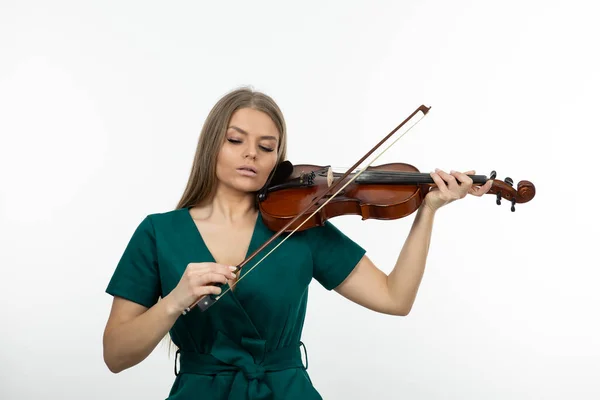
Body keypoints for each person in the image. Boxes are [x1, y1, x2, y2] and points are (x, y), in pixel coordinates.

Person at [102, 87, 493, 399]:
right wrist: (173, 301)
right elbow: (116, 355)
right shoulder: (158, 232)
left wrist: (428, 210)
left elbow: (395, 298)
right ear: (212, 147)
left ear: (277, 159)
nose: (251, 153)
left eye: (267, 147)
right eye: (236, 140)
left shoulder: (302, 224)